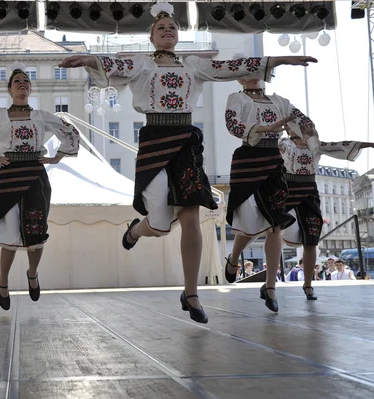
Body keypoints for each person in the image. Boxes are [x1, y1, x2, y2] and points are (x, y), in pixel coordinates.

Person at [58, 2, 316, 323]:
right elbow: (113, 64)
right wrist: (90, 59)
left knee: (191, 215)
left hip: (187, 142)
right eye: (161, 28)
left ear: (178, 36)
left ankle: (191, 292)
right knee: (159, 225)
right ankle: (136, 231)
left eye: (173, 28)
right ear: (152, 37)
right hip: (155, 140)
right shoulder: (141, 64)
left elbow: (232, 67)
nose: (168, 32)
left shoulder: (194, 65)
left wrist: (279, 59)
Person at [0, 63, 80, 311]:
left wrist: (58, 156)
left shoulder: (40, 116)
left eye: (26, 80)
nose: (23, 83)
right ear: (9, 89)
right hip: (10, 174)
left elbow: (67, 129)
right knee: (9, 231)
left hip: (35, 176)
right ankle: (2, 281)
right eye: (17, 81)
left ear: (30, 87)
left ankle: (33, 273)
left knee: (36, 231)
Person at [222, 74, 317, 313]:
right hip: (248, 160)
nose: (253, 72)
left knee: (274, 223)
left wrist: (307, 130)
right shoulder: (236, 98)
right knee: (251, 222)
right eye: (248, 67)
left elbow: (303, 121)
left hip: (273, 162)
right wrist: (268, 127)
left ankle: (271, 286)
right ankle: (234, 257)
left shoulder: (279, 101)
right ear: (240, 77)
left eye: (257, 66)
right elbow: (233, 126)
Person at [279, 123, 373, 298]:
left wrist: (369, 144)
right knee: (277, 230)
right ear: (288, 130)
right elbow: (278, 153)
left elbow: (340, 145)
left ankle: (308, 285)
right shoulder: (285, 144)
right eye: (295, 126)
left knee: (311, 240)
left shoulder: (315, 145)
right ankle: (270, 281)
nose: (302, 128)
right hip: (288, 191)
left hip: (309, 193)